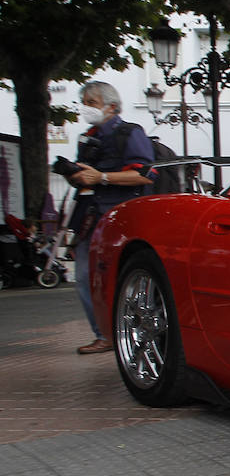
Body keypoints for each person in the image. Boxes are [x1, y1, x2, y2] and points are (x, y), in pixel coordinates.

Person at [62, 81, 154, 354]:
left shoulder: (129, 133)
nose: (86, 108)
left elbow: (145, 175)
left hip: (118, 217)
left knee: (118, 277)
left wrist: (101, 176)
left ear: (111, 106)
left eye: (91, 103)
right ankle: (103, 334)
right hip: (88, 215)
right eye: (86, 102)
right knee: (83, 278)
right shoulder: (88, 137)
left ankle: (123, 333)